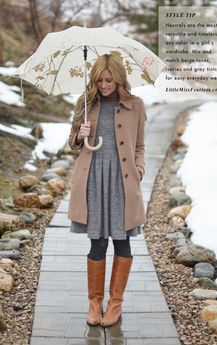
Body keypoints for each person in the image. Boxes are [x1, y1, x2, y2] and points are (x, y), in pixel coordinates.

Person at [67, 53, 147, 327]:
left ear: (119, 79)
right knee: (97, 242)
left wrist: (139, 172)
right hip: (93, 180)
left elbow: (140, 146)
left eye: (109, 80)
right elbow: (72, 143)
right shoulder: (86, 103)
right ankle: (94, 303)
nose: (104, 85)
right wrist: (80, 134)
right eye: (99, 80)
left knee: (122, 242)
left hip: (123, 182)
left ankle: (115, 304)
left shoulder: (135, 106)